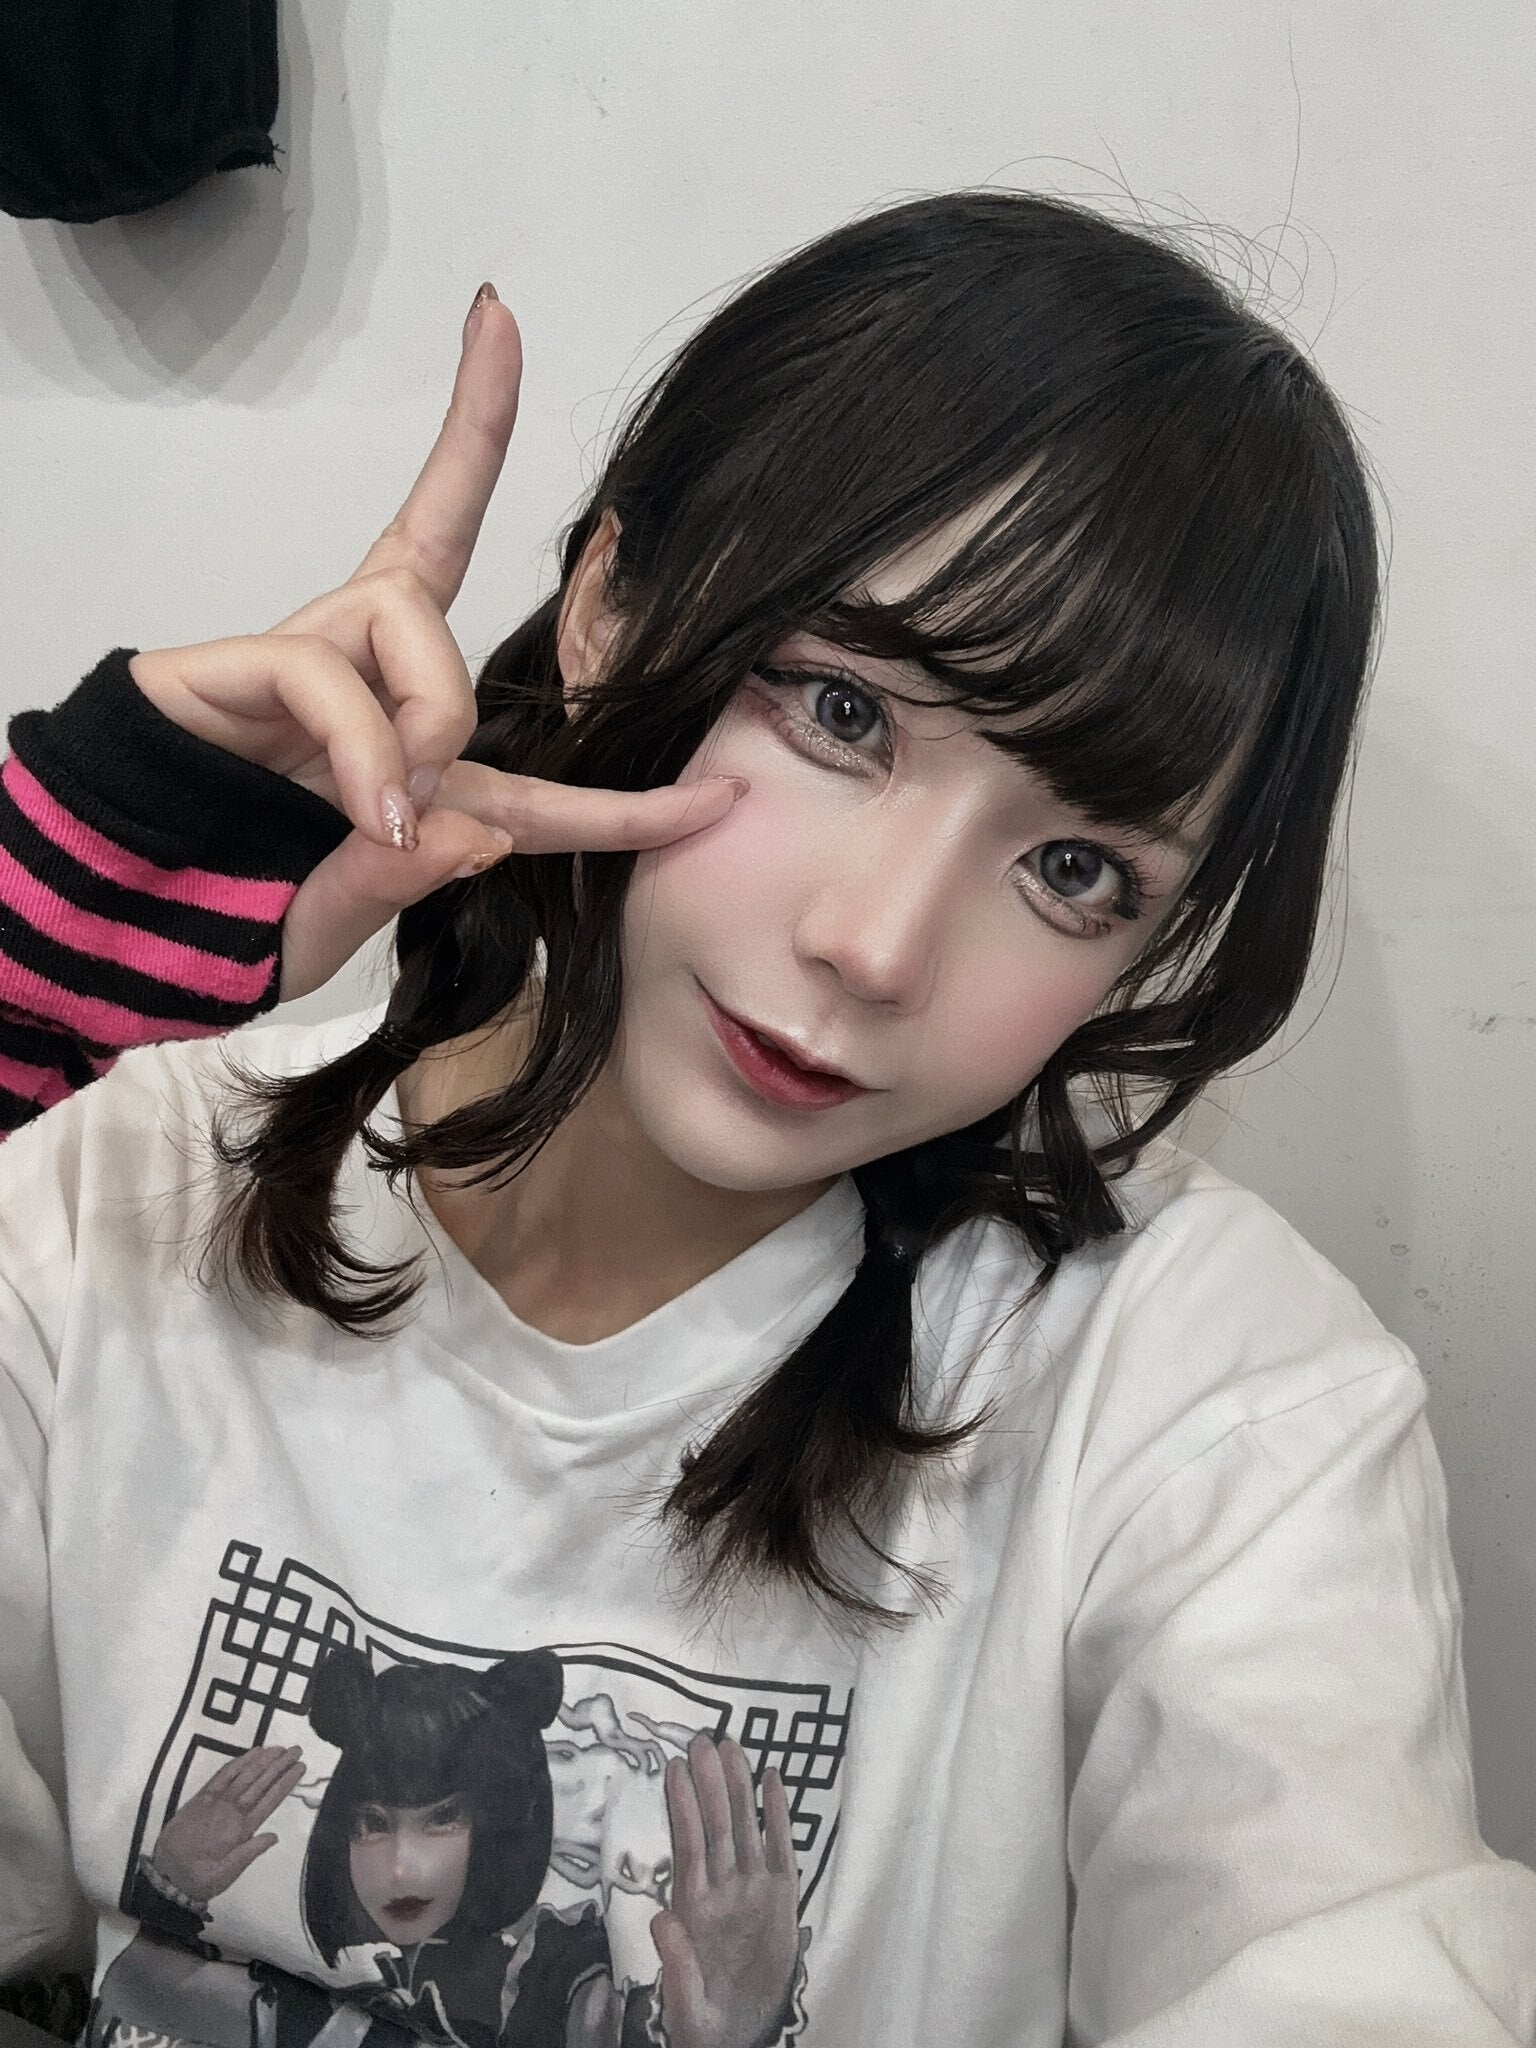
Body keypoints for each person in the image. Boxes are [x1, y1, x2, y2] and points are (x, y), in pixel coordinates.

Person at [0, 193, 1531, 2048]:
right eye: (844, 714)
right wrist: (32, 962)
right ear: (613, 606)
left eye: (1073, 868)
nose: (877, 948)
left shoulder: (1209, 1399)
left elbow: (1345, 1957)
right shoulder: (113, 1195)